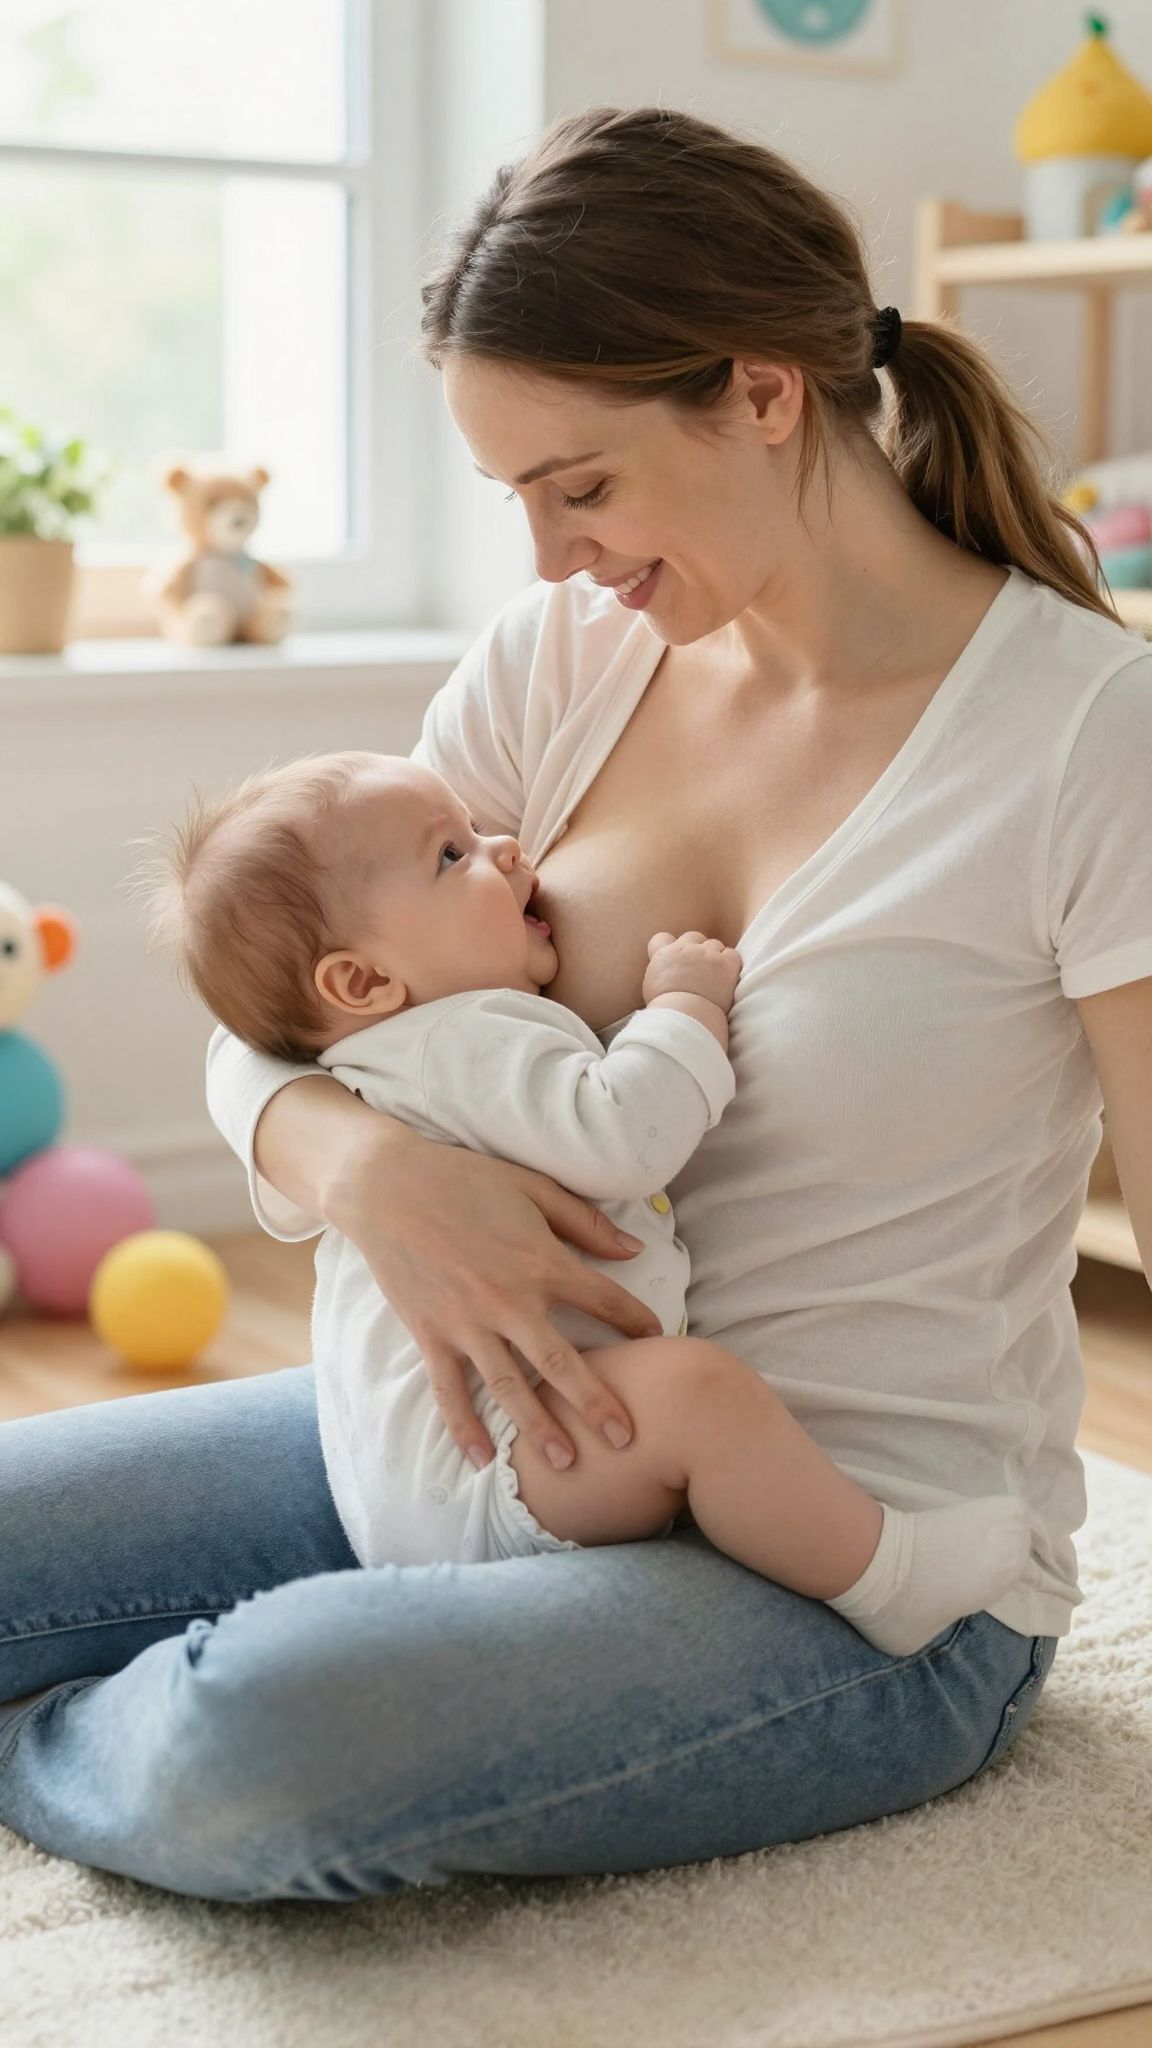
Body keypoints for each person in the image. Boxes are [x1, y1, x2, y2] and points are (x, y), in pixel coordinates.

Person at [2, 104, 1150, 1907]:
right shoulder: (563, 661)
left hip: (847, 1571)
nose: (548, 555)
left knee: (255, 1745)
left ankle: (121, 1731)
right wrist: (371, 1170)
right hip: (460, 1441)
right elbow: (286, 1009)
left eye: (582, 486)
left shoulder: (1086, 734)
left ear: (761, 393)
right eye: (515, 500)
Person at [138, 747, 1031, 1651]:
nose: (507, 847)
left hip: (420, 1486)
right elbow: (623, 1136)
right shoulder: (461, 1037)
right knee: (697, 1396)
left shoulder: (379, 1064)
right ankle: (884, 1576)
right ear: (363, 982)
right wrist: (683, 1009)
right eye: (451, 854)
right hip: (506, 1460)